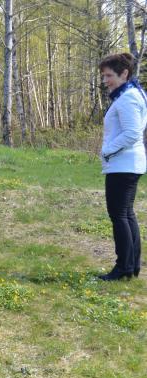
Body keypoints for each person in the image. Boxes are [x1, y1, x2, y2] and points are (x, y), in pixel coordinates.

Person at [97, 53, 147, 281]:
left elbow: (132, 133)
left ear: (124, 74)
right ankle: (131, 265)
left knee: (119, 215)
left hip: (123, 165)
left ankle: (124, 266)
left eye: (109, 75)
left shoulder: (128, 98)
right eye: (104, 75)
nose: (105, 80)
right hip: (127, 164)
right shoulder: (131, 94)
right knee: (126, 214)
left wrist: (108, 151)